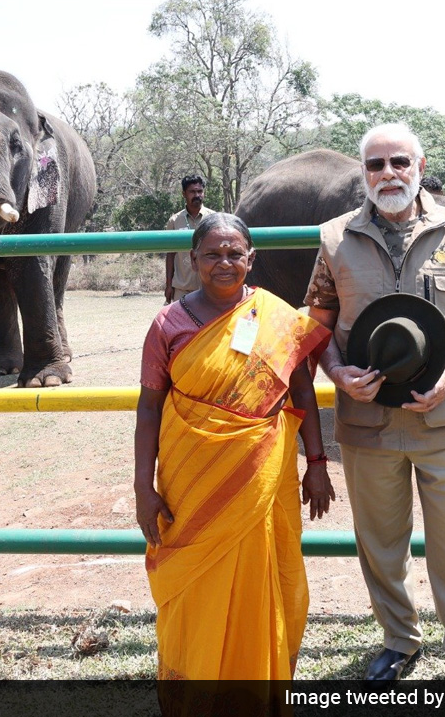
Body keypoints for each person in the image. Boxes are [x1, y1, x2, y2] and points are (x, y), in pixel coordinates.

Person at [304, 123, 445, 683]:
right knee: (381, 543)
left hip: (444, 415)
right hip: (366, 421)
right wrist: (337, 373)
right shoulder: (334, 239)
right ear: (363, 173)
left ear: (420, 166)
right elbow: (317, 325)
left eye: (399, 162)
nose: (388, 174)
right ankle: (399, 639)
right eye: (376, 164)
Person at [135, 213, 334, 684]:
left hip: (262, 473)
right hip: (190, 479)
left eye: (234, 254)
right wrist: (143, 487)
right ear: (193, 260)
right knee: (195, 578)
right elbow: (149, 406)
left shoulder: (276, 317)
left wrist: (317, 463)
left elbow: (301, 392)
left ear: (251, 258)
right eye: (212, 254)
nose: (223, 263)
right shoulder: (168, 323)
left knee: (265, 571)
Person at [163, 175, 214, 304]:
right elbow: (170, 255)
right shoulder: (174, 221)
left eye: (200, 191)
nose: (197, 195)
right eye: (192, 192)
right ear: (184, 194)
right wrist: (168, 285)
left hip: (208, 288)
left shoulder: (214, 218)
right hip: (182, 288)